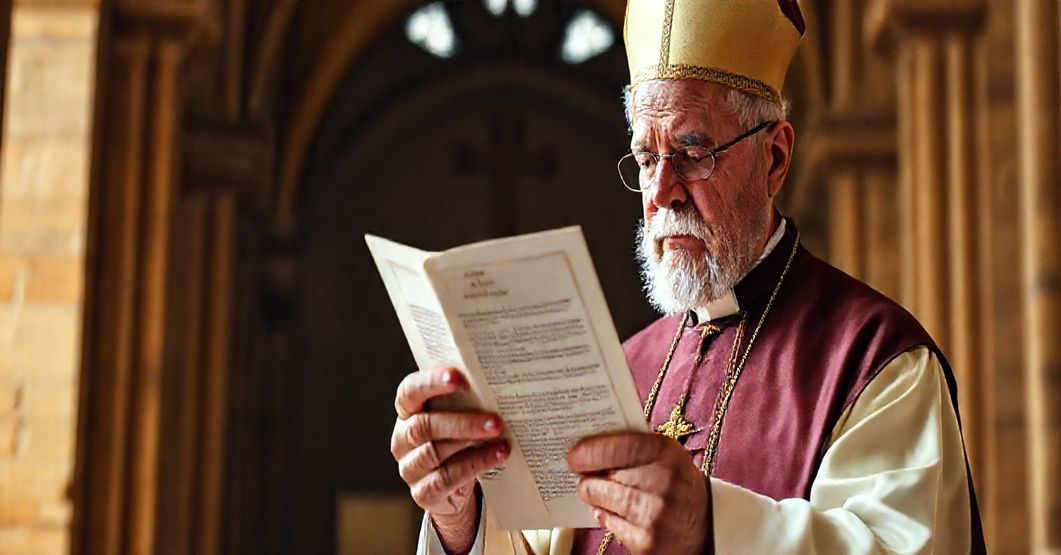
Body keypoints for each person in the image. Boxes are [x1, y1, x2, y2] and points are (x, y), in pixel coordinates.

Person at [390, 0, 985, 553]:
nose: (662, 192)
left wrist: (712, 524)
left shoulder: (875, 362)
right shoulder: (613, 373)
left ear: (774, 158)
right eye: (647, 158)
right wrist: (459, 516)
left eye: (694, 152)